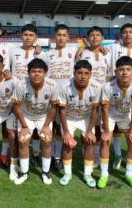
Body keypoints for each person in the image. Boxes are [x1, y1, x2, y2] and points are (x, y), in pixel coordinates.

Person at [99, 56, 132, 188]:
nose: (124, 72)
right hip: (111, 115)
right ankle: (104, 175)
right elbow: (105, 108)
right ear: (115, 72)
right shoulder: (107, 86)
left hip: (126, 114)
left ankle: (129, 174)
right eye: (121, 69)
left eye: (128, 69)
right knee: (105, 141)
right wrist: (107, 131)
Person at [11, 58, 59, 185]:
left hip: (44, 117)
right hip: (25, 115)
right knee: (23, 141)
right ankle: (24, 172)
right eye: (33, 71)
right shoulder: (21, 85)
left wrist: (46, 125)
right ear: (28, 73)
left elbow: (54, 107)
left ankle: (45, 172)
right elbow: (16, 107)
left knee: (47, 141)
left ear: (45, 72)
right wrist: (25, 126)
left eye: (40, 71)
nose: (36, 74)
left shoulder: (53, 85)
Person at [41, 24, 80, 171]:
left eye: (64, 35)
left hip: (67, 96)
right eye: (58, 35)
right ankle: (49, 156)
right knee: (51, 127)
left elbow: (87, 51)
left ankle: (57, 157)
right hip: (51, 96)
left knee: (61, 129)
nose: (61, 37)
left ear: (68, 37)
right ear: (54, 37)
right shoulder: (47, 54)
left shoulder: (74, 50)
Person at [107, 23, 132, 170]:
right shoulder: (114, 48)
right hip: (114, 90)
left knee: (129, 129)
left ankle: (128, 159)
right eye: (125, 32)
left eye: (131, 32)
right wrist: (81, 47)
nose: (128, 35)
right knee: (114, 128)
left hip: (131, 94)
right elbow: (96, 46)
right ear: (121, 35)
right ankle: (117, 155)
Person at [59, 60, 101, 187]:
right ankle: (67, 173)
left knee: (89, 141)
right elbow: (62, 110)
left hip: (86, 117)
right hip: (69, 117)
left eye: (86, 73)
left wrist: (89, 130)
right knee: (67, 143)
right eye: (79, 73)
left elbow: (95, 110)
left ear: (90, 74)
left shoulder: (97, 87)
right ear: (74, 73)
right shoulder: (65, 86)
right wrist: (66, 131)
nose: (82, 76)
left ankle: (87, 174)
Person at [10, 24, 44, 167]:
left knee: (36, 128)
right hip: (17, 94)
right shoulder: (12, 51)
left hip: (36, 95)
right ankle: (16, 157)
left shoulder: (40, 53)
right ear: (21, 36)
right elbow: (7, 70)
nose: (28, 37)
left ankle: (35, 153)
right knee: (16, 128)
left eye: (31, 35)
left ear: (35, 37)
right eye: (25, 34)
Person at [80, 26, 112, 168]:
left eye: (97, 35)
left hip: (103, 95)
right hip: (87, 94)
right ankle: (86, 151)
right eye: (91, 35)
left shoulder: (108, 54)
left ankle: (99, 156)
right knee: (86, 124)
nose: (94, 37)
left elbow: (112, 74)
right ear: (87, 39)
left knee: (100, 126)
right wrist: (81, 48)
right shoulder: (82, 53)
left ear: (102, 38)